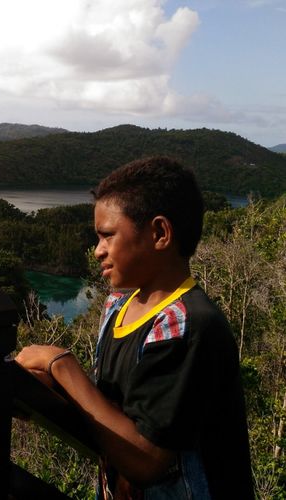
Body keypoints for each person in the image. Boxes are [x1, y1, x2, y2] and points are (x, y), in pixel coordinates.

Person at [15, 157, 253, 499]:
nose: (98, 251)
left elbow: (146, 461)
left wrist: (61, 365)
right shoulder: (118, 308)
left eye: (107, 236)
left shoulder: (186, 325)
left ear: (159, 233)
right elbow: (113, 413)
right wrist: (37, 394)